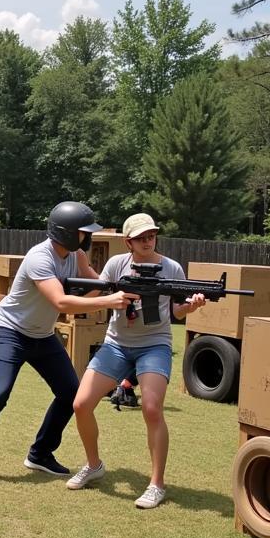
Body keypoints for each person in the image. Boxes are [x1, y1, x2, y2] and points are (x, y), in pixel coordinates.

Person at [0, 201, 136, 487]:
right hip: (12, 331)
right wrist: (108, 300)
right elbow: (60, 301)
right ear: (66, 232)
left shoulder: (75, 253)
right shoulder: (39, 258)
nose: (87, 238)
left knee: (72, 395)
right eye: (83, 232)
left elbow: (98, 282)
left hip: (42, 335)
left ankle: (40, 453)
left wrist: (120, 286)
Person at [66, 212, 206, 509]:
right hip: (116, 344)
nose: (147, 241)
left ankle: (157, 484)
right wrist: (66, 293)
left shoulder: (171, 268)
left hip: (154, 344)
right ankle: (94, 465)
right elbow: (99, 291)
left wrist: (192, 306)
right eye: (140, 238)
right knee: (81, 404)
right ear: (128, 242)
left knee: (152, 409)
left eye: (151, 235)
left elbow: (177, 312)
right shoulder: (117, 265)